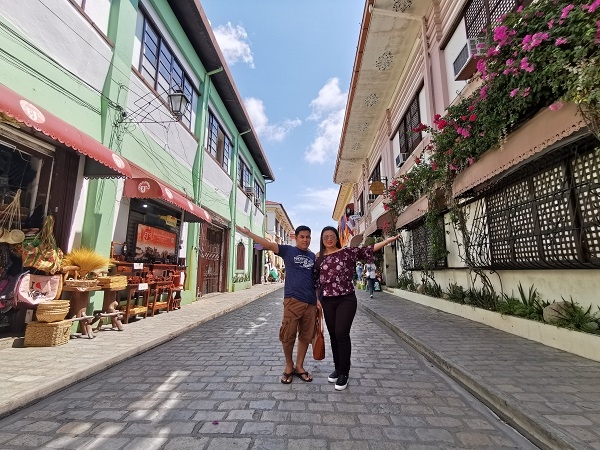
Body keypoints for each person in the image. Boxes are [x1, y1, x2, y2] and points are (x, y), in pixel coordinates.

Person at [314, 226, 399, 391]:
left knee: (341, 333)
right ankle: (338, 368)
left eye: (332, 236)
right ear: (322, 239)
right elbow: (316, 280)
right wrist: (316, 299)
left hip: (346, 298)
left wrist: (387, 241)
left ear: (337, 238)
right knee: (333, 335)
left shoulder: (347, 252)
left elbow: (368, 249)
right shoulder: (319, 257)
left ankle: (344, 372)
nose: (329, 239)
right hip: (327, 300)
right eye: (326, 236)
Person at [239, 225, 317, 384]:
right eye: (302, 236)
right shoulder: (288, 251)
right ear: (296, 237)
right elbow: (267, 245)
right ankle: (289, 365)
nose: (305, 240)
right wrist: (249, 233)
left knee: (305, 336)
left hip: (310, 303)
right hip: (293, 300)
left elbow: (316, 280)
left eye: (308, 237)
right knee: (287, 335)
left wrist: (319, 300)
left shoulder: (313, 257)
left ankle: (300, 366)